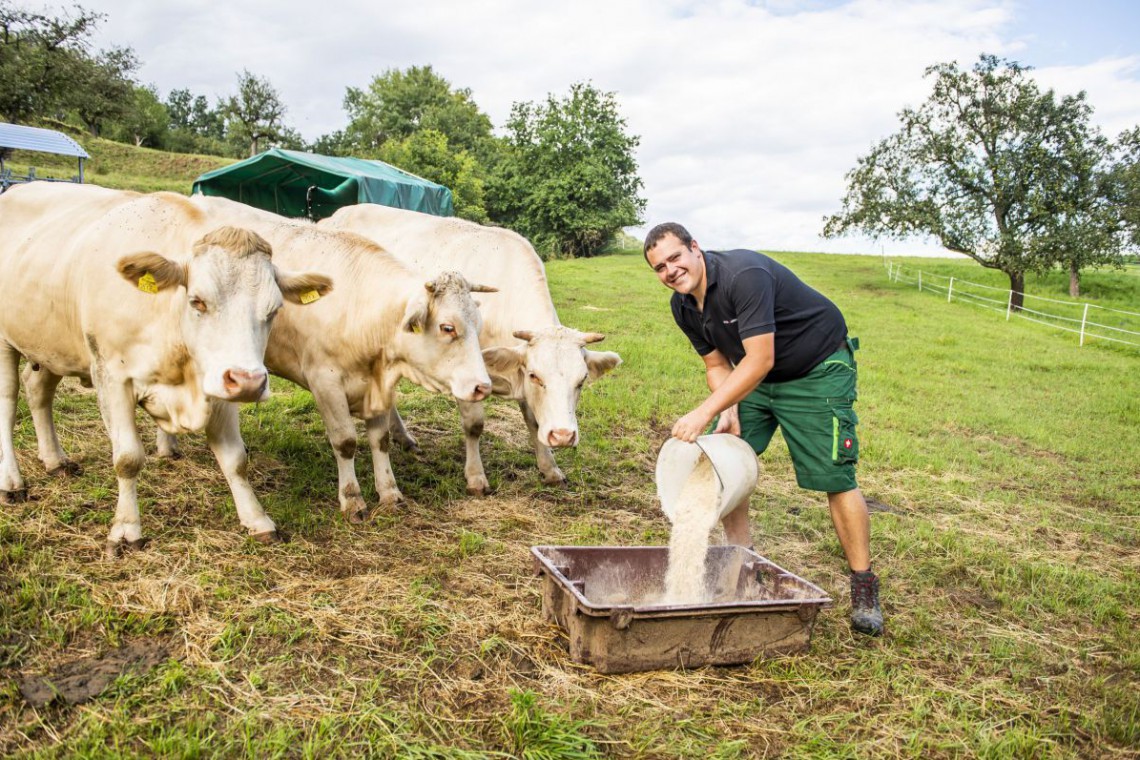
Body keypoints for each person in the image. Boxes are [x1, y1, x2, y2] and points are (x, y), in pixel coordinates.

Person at [644, 222, 883, 636]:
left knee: (834, 476)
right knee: (723, 459)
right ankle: (743, 562)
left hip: (817, 368)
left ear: (695, 248)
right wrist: (729, 409)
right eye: (660, 268)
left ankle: (864, 585)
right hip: (758, 375)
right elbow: (717, 365)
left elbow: (759, 359)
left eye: (675, 257)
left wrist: (703, 413)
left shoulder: (743, 276)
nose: (671, 271)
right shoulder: (683, 305)